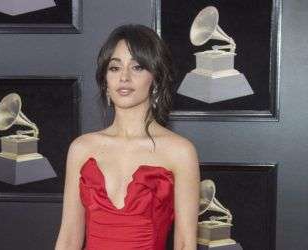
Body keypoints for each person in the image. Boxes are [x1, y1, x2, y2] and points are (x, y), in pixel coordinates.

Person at [55, 24, 200, 250]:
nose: (124, 77)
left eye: (137, 67)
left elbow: (184, 243)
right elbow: (69, 238)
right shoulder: (81, 148)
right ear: (105, 82)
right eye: (114, 68)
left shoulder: (180, 152)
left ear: (156, 79)